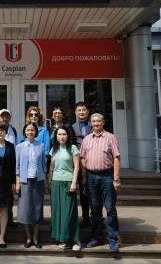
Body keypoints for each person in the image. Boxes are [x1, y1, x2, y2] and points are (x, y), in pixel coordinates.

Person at [80, 113, 121, 252]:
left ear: (103, 122)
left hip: (107, 176)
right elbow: (83, 159)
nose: (96, 123)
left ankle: (113, 239)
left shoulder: (110, 137)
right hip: (91, 177)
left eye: (98, 121)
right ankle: (96, 237)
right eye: (93, 121)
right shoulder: (87, 139)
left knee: (110, 209)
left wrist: (116, 179)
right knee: (95, 209)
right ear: (91, 123)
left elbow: (116, 158)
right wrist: (84, 177)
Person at [48, 125, 81, 251]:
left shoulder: (73, 148)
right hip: (56, 182)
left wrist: (74, 182)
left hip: (68, 181)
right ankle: (62, 239)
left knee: (69, 211)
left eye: (64, 134)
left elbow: (77, 167)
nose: (61, 137)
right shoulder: (54, 149)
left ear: (68, 136)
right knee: (57, 211)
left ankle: (75, 240)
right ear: (56, 136)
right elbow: (51, 167)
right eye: (59, 134)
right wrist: (49, 181)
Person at [15, 122, 46, 249]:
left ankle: (35, 237)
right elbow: (17, 167)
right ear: (24, 132)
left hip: (38, 180)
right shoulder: (19, 147)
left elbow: (44, 165)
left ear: (35, 132)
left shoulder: (41, 145)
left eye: (32, 130)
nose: (30, 132)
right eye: (28, 130)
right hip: (25, 181)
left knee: (37, 209)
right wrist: (17, 183)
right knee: (26, 209)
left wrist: (45, 180)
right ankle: (28, 237)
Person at [70, 101, 92, 228]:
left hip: (93, 161)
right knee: (83, 192)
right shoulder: (73, 127)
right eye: (79, 110)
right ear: (75, 112)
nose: (81, 112)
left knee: (94, 192)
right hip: (78, 162)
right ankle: (85, 218)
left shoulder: (94, 123)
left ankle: (97, 217)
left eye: (84, 110)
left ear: (87, 111)